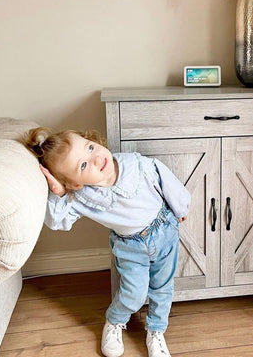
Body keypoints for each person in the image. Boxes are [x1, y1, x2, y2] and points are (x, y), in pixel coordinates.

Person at [23, 127, 191, 357]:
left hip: (165, 232)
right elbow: (57, 221)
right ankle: (114, 321)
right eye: (83, 166)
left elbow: (164, 177)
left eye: (90, 147)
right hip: (130, 246)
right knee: (134, 293)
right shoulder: (82, 196)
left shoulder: (137, 165)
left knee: (163, 287)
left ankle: (156, 331)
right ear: (75, 184)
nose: (94, 159)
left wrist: (181, 206)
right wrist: (58, 191)